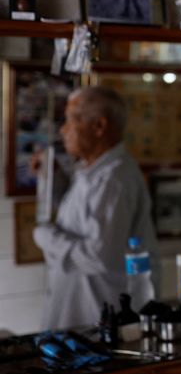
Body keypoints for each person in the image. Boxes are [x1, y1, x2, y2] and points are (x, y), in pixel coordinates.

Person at [33, 87, 157, 330]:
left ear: (99, 126)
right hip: (79, 312)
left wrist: (46, 237)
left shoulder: (114, 180)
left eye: (71, 120)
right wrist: (54, 181)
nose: (63, 129)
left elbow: (99, 255)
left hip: (97, 315)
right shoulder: (94, 170)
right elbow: (80, 218)